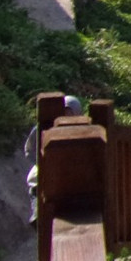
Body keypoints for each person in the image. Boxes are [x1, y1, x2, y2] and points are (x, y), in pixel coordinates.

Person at [25, 95, 82, 225]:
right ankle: (37, 216)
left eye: (69, 113)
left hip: (67, 178)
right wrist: (43, 163)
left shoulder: (81, 131)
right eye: (63, 112)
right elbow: (29, 149)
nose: (66, 116)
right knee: (36, 187)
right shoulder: (43, 128)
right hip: (41, 174)